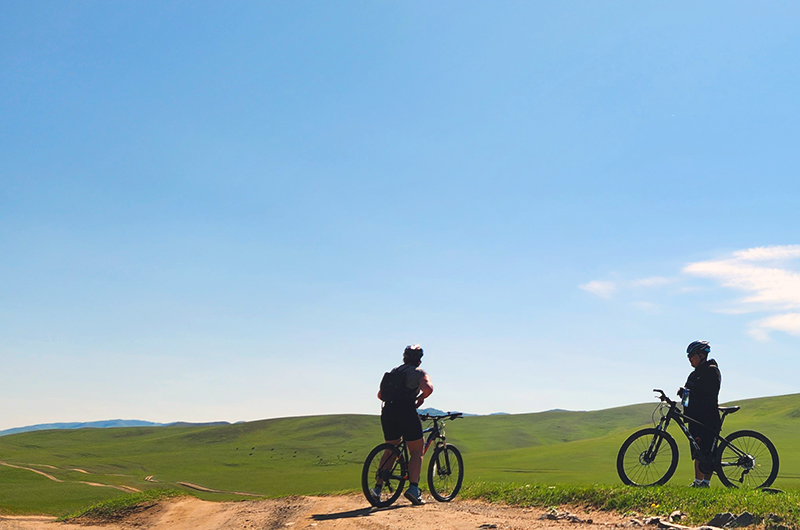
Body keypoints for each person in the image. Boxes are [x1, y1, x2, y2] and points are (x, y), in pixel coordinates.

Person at [374, 344, 434, 505]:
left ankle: (377, 489)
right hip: (406, 411)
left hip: (388, 411)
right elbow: (428, 388)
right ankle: (413, 489)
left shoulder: (394, 372)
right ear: (419, 360)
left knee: (390, 450)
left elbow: (380, 395)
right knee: (416, 450)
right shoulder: (419, 373)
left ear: (404, 357)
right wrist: (420, 398)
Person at [677, 340, 721, 488]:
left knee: (708, 451)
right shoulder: (693, 374)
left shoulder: (712, 370)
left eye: (691, 355)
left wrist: (688, 392)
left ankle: (705, 483)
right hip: (694, 417)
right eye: (688, 356)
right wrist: (682, 396)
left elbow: (709, 393)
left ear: (702, 355)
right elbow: (688, 397)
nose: (689, 359)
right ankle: (698, 482)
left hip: (707, 417)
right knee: (698, 451)